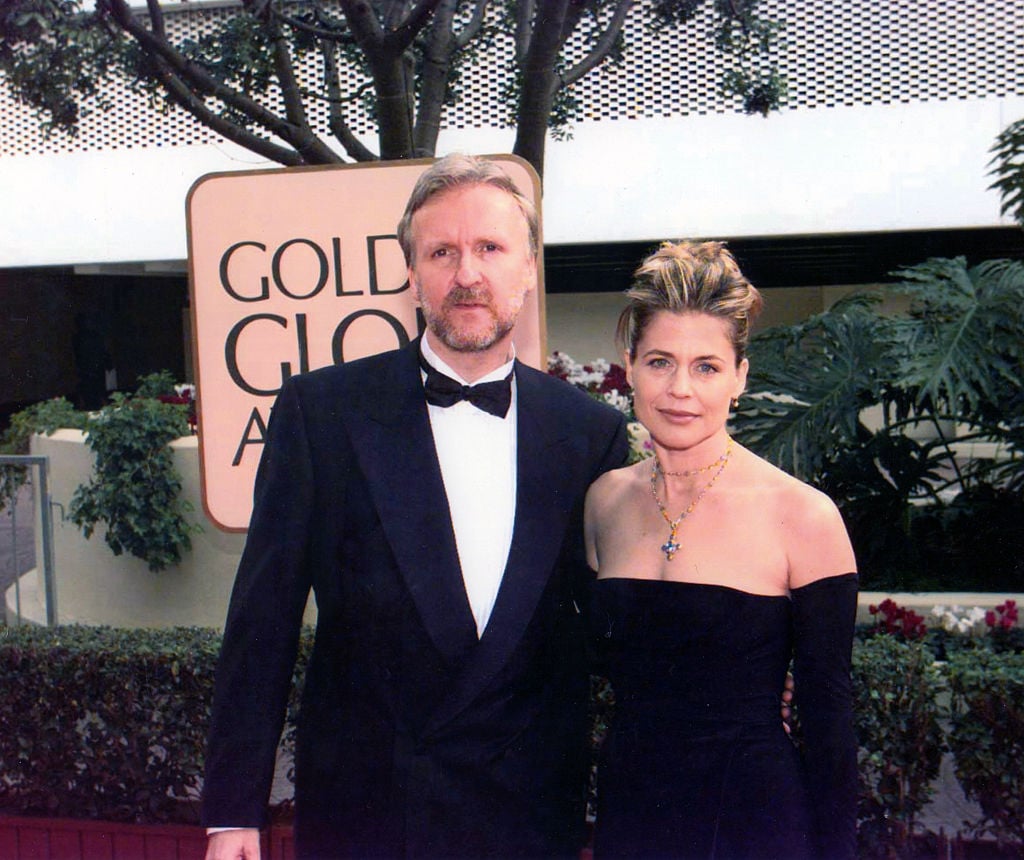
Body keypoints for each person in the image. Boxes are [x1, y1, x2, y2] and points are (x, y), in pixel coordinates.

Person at [202, 154, 629, 859]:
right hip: (368, 815)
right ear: (411, 274)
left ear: (528, 268)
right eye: (443, 252)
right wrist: (232, 813)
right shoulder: (324, 414)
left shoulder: (587, 433)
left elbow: (615, 629)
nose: (467, 274)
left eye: (490, 249)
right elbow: (262, 622)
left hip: (527, 818)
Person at [584, 241, 858, 859]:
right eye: (660, 361)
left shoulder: (803, 516)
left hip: (752, 822)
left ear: (740, 376)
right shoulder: (603, 503)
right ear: (629, 366)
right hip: (633, 815)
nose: (681, 389)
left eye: (706, 366)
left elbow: (830, 720)